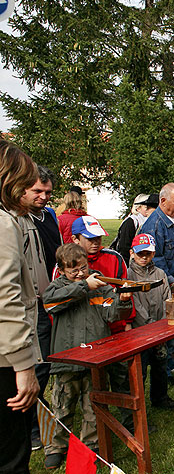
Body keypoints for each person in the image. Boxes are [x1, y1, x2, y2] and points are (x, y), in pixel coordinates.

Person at [42, 244, 130, 469]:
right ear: (62, 271)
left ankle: (91, 446)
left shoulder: (99, 286)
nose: (80, 273)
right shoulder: (57, 288)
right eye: (74, 271)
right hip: (67, 361)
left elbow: (112, 314)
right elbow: (50, 305)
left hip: (95, 360)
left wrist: (124, 300)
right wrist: (83, 286)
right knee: (63, 405)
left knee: (93, 407)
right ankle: (57, 446)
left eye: (83, 268)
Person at [0, 141, 40, 474]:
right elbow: (6, 299)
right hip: (6, 363)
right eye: (25, 181)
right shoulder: (2, 224)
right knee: (12, 457)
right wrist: (24, 366)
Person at [18, 165, 61, 451]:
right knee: (36, 365)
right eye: (37, 191)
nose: (44, 197)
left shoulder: (49, 217)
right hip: (27, 305)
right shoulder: (15, 220)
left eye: (47, 192)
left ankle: (45, 419)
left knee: (48, 363)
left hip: (50, 298)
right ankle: (33, 428)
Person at [140, 183, 174, 365]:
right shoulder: (154, 225)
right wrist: (171, 281)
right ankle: (167, 363)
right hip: (166, 282)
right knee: (167, 320)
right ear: (163, 201)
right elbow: (156, 259)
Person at [128, 234, 174, 413]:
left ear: (153, 253)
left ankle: (160, 397)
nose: (143, 257)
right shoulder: (128, 274)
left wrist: (164, 322)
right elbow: (133, 303)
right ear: (132, 253)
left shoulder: (160, 273)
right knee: (139, 371)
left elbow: (166, 297)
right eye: (140, 253)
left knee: (160, 364)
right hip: (139, 331)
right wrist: (149, 325)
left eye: (148, 253)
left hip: (160, 328)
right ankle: (138, 406)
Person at [115, 193, 159, 263]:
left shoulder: (149, 221)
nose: (148, 209)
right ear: (138, 208)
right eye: (146, 207)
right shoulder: (131, 222)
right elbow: (124, 247)